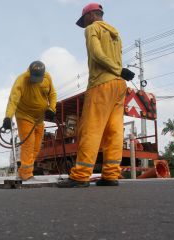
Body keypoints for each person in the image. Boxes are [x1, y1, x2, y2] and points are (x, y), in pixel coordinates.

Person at [58, 3, 135, 188]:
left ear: (91, 15)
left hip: (101, 84)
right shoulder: (115, 33)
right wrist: (120, 72)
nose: (84, 25)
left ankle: (81, 176)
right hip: (119, 85)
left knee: (90, 129)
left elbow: (96, 53)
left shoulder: (92, 28)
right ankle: (110, 175)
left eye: (84, 20)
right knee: (114, 131)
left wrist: (117, 69)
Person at [2, 61, 57, 181]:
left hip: (39, 119)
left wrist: (51, 108)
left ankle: (22, 172)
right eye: (33, 78)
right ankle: (26, 175)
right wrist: (8, 117)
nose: (35, 80)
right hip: (24, 116)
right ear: (29, 72)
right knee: (28, 145)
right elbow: (13, 100)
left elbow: (52, 94)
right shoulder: (21, 80)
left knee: (36, 148)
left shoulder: (47, 78)